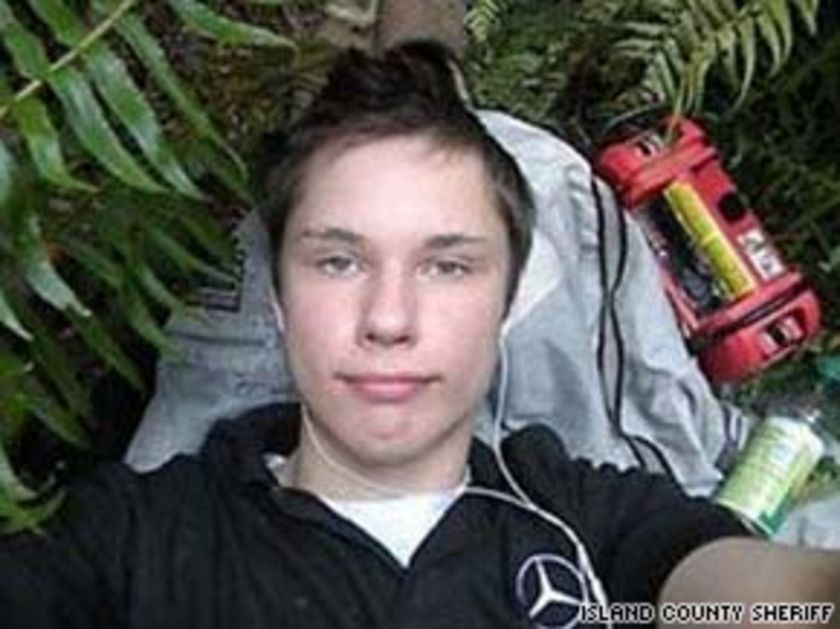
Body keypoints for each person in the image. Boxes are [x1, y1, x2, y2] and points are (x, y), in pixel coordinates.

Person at [2, 40, 839, 629]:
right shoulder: (139, 541)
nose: (389, 318)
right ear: (280, 299)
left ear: (505, 302)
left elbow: (757, 604)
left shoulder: (585, 522)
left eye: (447, 266)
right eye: (338, 262)